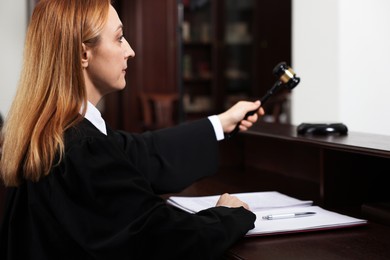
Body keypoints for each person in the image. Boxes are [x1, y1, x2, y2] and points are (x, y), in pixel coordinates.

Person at [0, 0, 264, 259]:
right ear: (83, 54)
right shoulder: (82, 148)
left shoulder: (50, 134)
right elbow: (160, 239)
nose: (130, 50)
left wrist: (221, 122)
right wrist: (228, 215)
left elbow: (142, 151)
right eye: (119, 38)